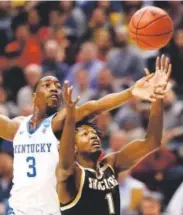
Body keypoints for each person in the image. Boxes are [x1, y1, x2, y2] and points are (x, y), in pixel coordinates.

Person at [5, 55, 168, 214]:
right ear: (34, 97)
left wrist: (131, 93)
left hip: (50, 209)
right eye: (47, 85)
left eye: (57, 86)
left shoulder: (59, 122)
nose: (54, 88)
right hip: (19, 209)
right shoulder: (17, 127)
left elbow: (93, 108)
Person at [56, 58, 171, 215]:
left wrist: (158, 95)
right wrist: (70, 120)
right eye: (84, 134)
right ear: (73, 147)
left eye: (94, 133)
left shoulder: (111, 164)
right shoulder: (70, 175)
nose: (93, 136)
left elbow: (152, 142)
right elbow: (65, 159)